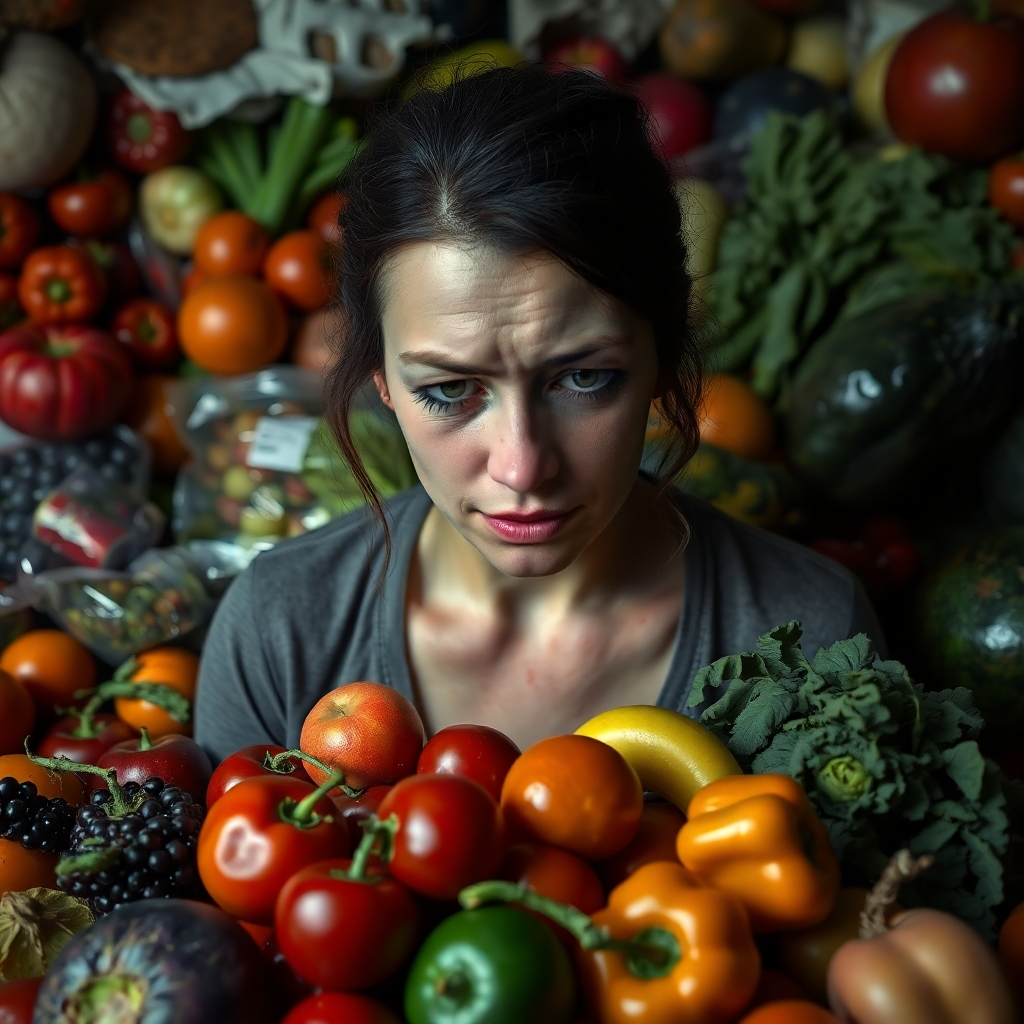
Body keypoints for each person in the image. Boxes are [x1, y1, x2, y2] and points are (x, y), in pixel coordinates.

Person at [194, 63, 884, 763]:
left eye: (583, 378)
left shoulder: (815, 633)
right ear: (384, 383)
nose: (522, 465)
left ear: (661, 361)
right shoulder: (277, 630)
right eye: (450, 390)